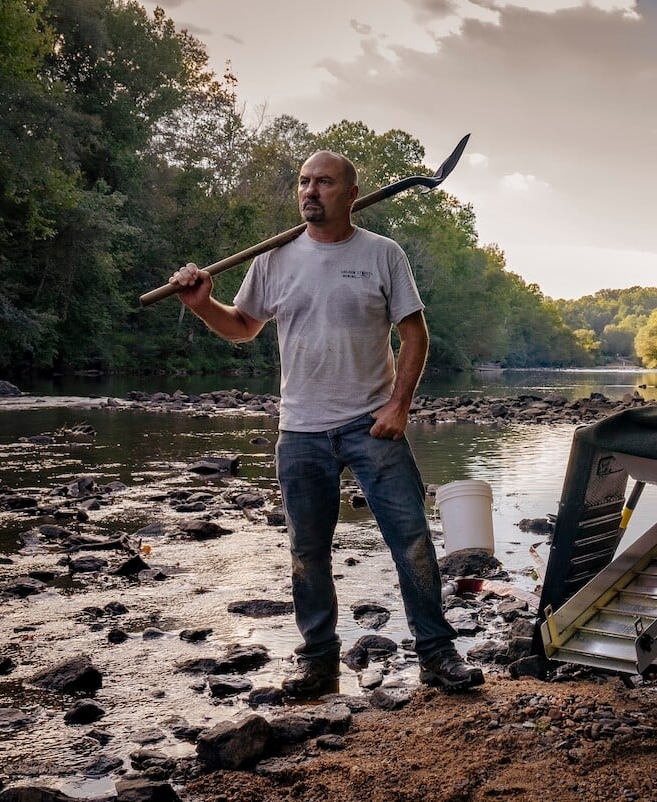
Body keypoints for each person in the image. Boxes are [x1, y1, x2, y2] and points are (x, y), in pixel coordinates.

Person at [168, 150, 483, 696]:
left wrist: (400, 406)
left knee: (411, 540)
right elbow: (243, 328)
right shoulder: (273, 258)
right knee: (307, 551)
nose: (311, 191)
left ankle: (436, 654)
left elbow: (415, 336)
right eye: (304, 182)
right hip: (301, 432)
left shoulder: (383, 254)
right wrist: (201, 305)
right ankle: (319, 663)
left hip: (371, 425)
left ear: (351, 195)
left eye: (325, 182)